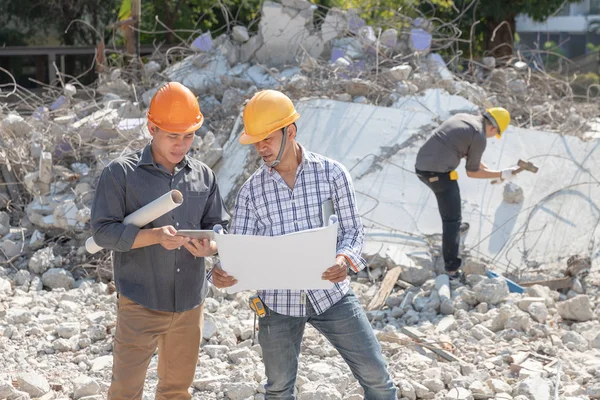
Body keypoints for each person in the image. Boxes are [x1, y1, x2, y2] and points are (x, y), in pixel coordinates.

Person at [211, 89, 397, 399]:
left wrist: (344, 259)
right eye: (257, 141)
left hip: (332, 296)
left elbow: (353, 231)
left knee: (377, 379)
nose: (261, 147)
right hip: (278, 305)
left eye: (268, 138)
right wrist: (221, 273)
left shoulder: (332, 174)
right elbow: (237, 253)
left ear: (291, 131)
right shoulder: (251, 193)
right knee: (279, 389)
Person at [90, 81, 230, 400]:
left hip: (189, 303)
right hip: (140, 301)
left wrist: (212, 245)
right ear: (151, 127)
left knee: (177, 390)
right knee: (125, 390)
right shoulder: (120, 174)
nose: (181, 145)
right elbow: (102, 232)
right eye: (172, 136)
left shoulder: (204, 175)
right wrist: (153, 236)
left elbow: (218, 225)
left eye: (188, 136)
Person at [414, 107, 518, 280]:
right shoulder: (479, 136)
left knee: (452, 212)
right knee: (452, 220)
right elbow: (473, 172)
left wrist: (497, 171)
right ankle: (452, 270)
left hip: (423, 166)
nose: (493, 137)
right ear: (494, 128)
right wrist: (501, 174)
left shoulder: (464, 119)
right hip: (436, 174)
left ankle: (453, 233)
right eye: (496, 134)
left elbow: (471, 157)